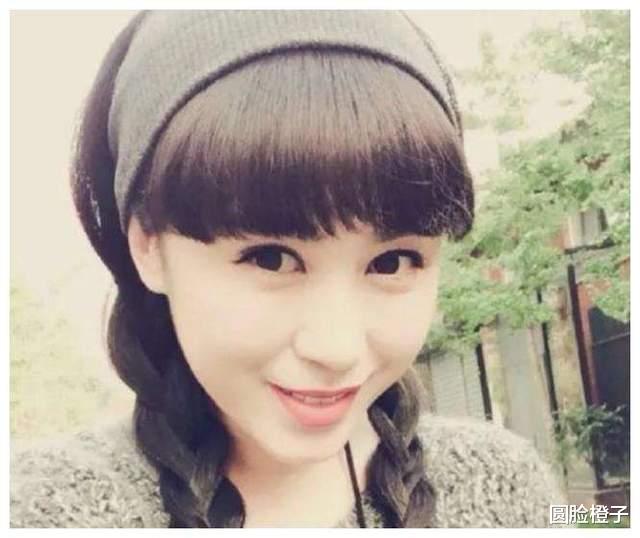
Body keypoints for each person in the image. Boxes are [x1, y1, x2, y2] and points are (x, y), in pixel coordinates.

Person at [10, 10, 569, 528]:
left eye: (391, 262)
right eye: (271, 258)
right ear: (149, 247)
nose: (336, 349)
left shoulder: (505, 489)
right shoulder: (45, 509)